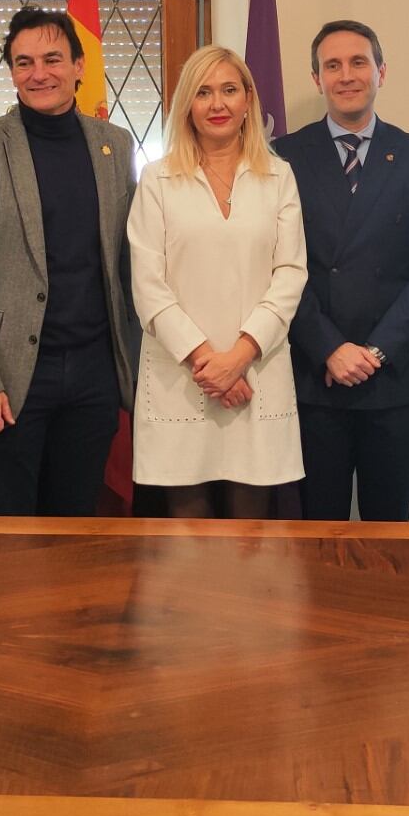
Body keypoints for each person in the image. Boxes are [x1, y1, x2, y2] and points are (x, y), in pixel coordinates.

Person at [0, 6, 139, 516]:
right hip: (9, 379)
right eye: (23, 62)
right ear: (11, 72)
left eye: (52, 59)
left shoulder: (114, 145)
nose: (38, 73)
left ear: (78, 67)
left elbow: (127, 262)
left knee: (75, 531)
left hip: (94, 376)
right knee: (10, 544)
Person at [272, 20, 409, 521]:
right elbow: (280, 268)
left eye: (358, 62)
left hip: (392, 374)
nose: (346, 75)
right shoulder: (285, 156)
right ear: (317, 79)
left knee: (388, 531)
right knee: (316, 527)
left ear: (381, 72)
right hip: (314, 371)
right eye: (332, 65)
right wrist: (329, 347)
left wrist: (374, 351)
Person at [130, 45, 308, 518]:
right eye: (203, 92)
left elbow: (290, 273)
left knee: (251, 545)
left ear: (248, 99)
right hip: (184, 381)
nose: (217, 104)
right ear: (187, 105)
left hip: (256, 377)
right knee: (189, 547)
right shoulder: (157, 180)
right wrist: (211, 365)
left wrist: (240, 357)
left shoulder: (279, 177)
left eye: (229, 90)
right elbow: (148, 284)